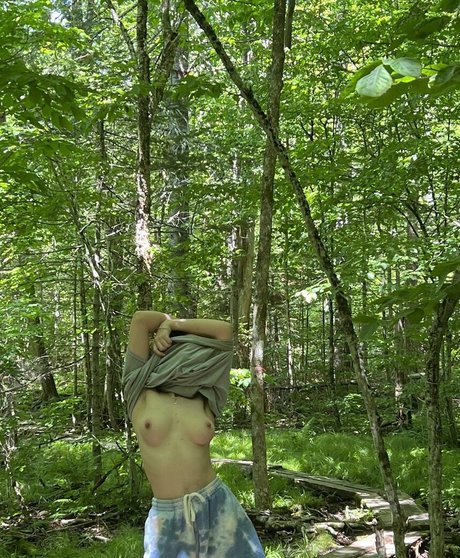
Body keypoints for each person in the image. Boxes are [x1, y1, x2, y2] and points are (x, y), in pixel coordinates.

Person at [122, 310, 266, 558]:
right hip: (168, 520)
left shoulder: (208, 396)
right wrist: (165, 325)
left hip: (218, 506)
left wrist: (171, 326)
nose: (186, 363)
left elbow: (224, 330)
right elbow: (140, 320)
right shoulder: (138, 388)